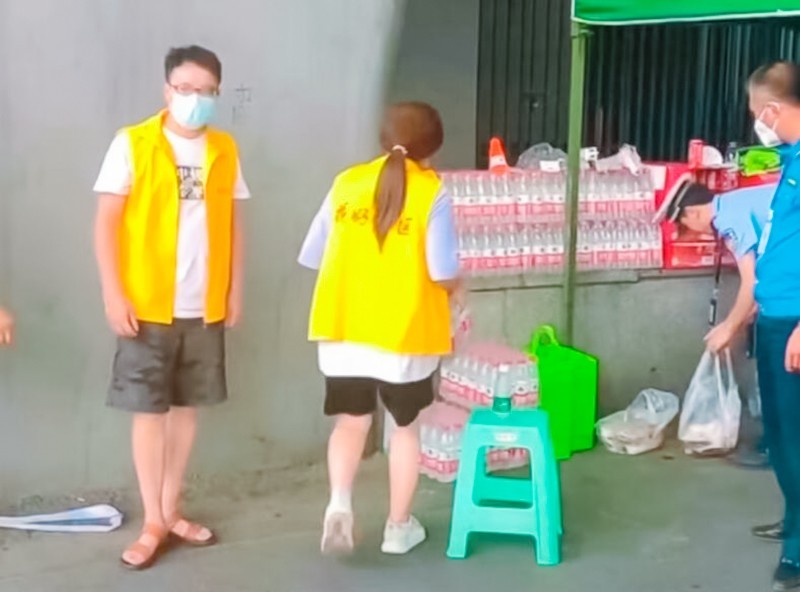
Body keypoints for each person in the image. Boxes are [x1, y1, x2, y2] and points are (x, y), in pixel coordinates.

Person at [93, 45, 250, 570]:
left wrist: (234, 290)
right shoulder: (133, 143)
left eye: (206, 91)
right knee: (149, 412)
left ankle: (171, 508)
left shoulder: (224, 149)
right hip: (147, 306)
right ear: (167, 90)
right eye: (186, 89)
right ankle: (152, 521)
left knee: (187, 409)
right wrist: (114, 293)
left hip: (203, 305)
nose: (195, 99)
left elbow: (235, 224)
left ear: (217, 94)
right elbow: (106, 223)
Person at [298, 102, 460, 556]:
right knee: (404, 429)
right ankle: (398, 528)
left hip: (343, 325)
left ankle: (339, 506)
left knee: (350, 423)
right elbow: (442, 271)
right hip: (403, 332)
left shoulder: (346, 183)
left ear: (382, 139)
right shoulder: (432, 192)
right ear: (434, 147)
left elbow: (313, 255)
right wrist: (461, 288)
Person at [665, 181, 774, 468]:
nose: (691, 231)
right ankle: (776, 441)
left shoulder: (728, 219)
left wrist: (729, 328)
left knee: (780, 367)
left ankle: (779, 447)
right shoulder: (733, 204)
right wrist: (745, 314)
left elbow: (751, 282)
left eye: (685, 225)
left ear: (693, 213)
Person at [746, 60, 800, 591]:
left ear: (773, 109)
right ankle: (794, 521)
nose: (755, 122)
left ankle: (799, 549)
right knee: (780, 436)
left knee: (795, 437)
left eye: (756, 112)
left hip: (793, 322)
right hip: (775, 313)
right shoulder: (791, 160)